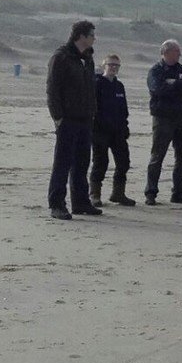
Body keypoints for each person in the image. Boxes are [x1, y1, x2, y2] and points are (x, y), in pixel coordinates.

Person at [46, 20, 101, 219]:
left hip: (86, 118)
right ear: (81, 36)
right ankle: (57, 204)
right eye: (92, 35)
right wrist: (58, 117)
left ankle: (80, 202)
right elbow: (52, 89)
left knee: (82, 162)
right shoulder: (61, 57)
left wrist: (92, 112)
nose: (94, 38)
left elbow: (90, 89)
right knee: (62, 163)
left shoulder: (88, 58)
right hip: (67, 118)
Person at [144, 39, 182, 205]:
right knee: (157, 156)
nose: (179, 54)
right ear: (166, 52)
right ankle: (150, 193)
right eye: (176, 51)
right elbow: (157, 89)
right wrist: (179, 87)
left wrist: (176, 84)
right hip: (163, 118)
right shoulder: (155, 71)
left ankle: (178, 192)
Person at [89, 54, 135, 206]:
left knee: (124, 162)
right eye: (111, 65)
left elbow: (124, 110)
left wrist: (125, 127)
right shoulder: (97, 83)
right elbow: (92, 108)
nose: (114, 68)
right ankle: (94, 194)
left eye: (116, 65)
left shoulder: (119, 86)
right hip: (100, 131)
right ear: (104, 66)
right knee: (100, 162)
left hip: (118, 132)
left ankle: (118, 193)